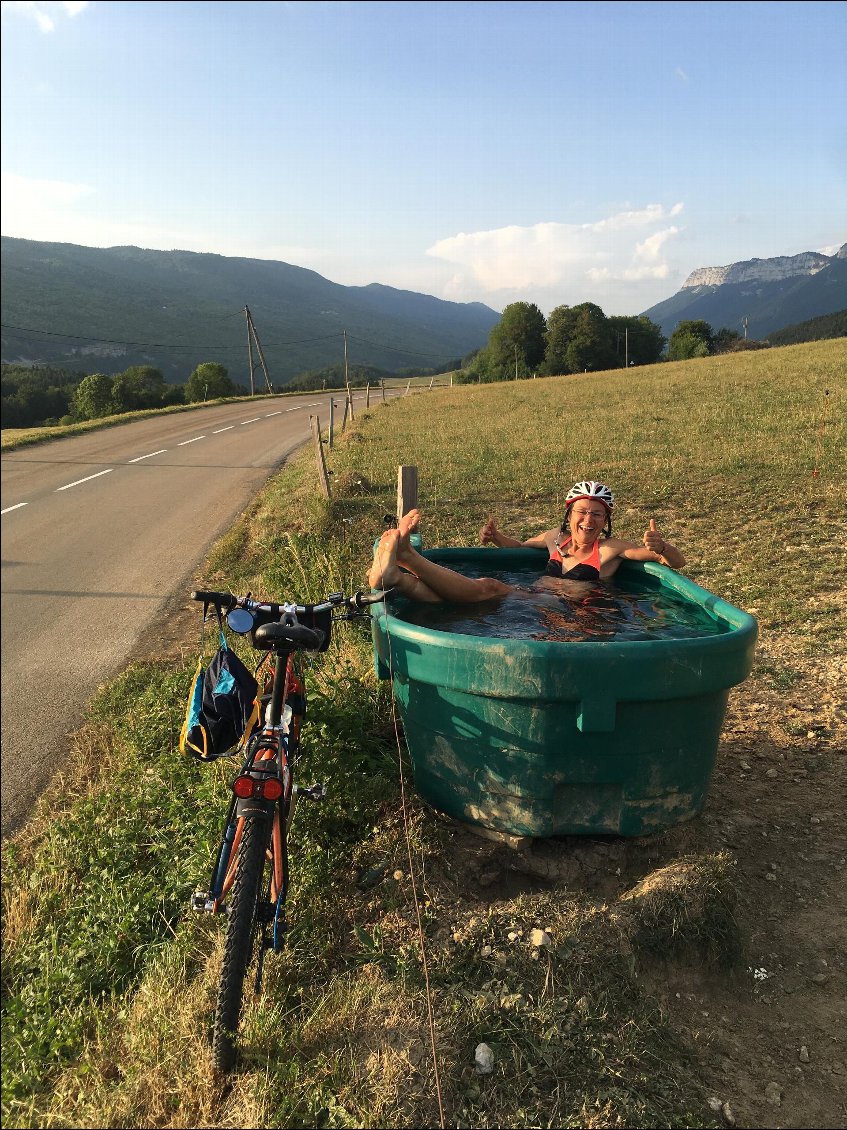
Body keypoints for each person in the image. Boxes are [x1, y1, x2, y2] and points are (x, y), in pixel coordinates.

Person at [368, 480, 685, 604]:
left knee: (489, 587)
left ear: (606, 521)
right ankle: (400, 579)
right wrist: (496, 538)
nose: (589, 521)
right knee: (454, 602)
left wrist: (662, 547)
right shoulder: (554, 539)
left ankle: (407, 557)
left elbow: (672, 562)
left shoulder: (609, 549)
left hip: (570, 612)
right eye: (582, 513)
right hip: (534, 600)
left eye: (597, 516)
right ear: (569, 515)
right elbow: (518, 547)